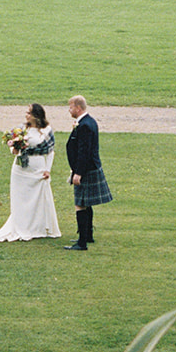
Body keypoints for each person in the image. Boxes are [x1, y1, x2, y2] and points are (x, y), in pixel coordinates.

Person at [0, 104, 61, 243]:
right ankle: (21, 226)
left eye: (29, 112)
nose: (26, 115)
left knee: (38, 198)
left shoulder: (46, 130)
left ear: (36, 115)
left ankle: (38, 227)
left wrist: (47, 169)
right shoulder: (22, 129)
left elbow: (50, 151)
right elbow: (15, 148)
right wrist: (15, 149)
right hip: (21, 169)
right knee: (20, 199)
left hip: (37, 167)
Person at [64, 94, 112, 251]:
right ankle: (88, 235)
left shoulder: (85, 125)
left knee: (80, 204)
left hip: (86, 170)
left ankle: (82, 242)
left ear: (78, 108)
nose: (69, 110)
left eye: (70, 107)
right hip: (89, 168)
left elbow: (84, 151)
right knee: (86, 202)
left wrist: (78, 173)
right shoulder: (88, 121)